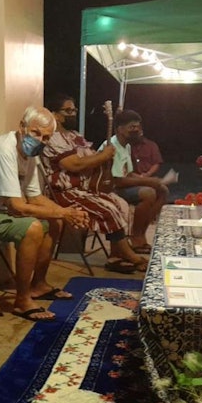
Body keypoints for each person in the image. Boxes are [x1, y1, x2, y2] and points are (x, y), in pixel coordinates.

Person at [0, 106, 89, 321]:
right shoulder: (4, 149)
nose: (40, 139)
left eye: (46, 137)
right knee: (32, 228)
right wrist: (63, 212)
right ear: (22, 127)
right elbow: (16, 206)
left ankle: (38, 285)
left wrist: (64, 213)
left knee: (54, 223)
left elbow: (34, 197)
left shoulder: (31, 153)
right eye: (35, 133)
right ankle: (22, 301)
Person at [40, 94, 148, 273]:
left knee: (120, 204)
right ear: (55, 115)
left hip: (84, 188)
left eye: (74, 110)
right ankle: (130, 255)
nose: (73, 113)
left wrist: (102, 158)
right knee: (108, 208)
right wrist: (103, 156)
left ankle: (115, 256)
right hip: (64, 192)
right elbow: (74, 164)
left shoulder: (75, 136)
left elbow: (92, 158)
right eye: (68, 110)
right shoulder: (53, 138)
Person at [99, 110, 169, 254]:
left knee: (162, 190)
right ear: (120, 129)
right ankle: (135, 237)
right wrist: (149, 182)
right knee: (148, 193)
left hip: (121, 185)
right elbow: (116, 181)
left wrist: (147, 180)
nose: (136, 130)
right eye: (132, 127)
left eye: (137, 126)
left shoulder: (127, 145)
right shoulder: (111, 146)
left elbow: (128, 173)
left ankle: (141, 233)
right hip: (109, 188)